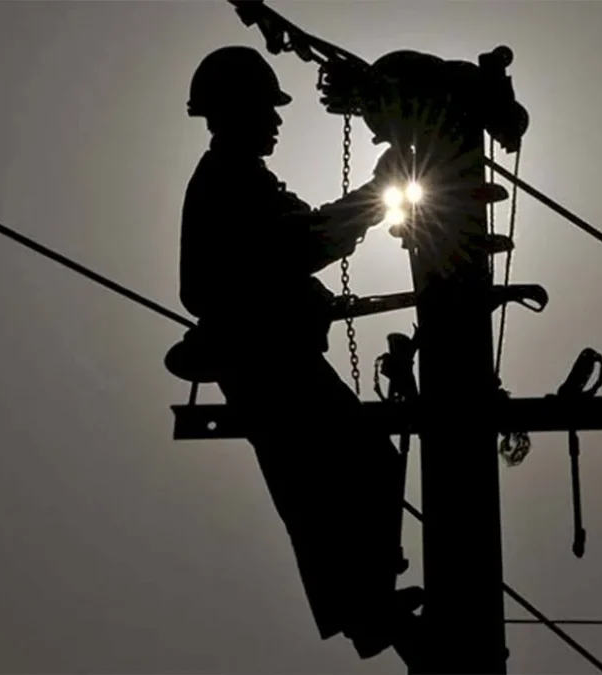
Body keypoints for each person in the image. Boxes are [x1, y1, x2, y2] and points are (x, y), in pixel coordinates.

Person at [178, 45, 422, 664]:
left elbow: (289, 247)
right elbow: (301, 243)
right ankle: (366, 607)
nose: (278, 122)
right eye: (268, 109)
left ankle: (366, 606)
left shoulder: (238, 180)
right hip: (266, 363)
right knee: (343, 476)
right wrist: (376, 194)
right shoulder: (227, 182)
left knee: (337, 480)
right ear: (236, 112)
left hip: (268, 357)